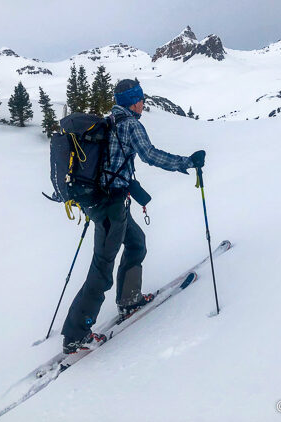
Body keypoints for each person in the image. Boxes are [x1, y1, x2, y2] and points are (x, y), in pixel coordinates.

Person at [61, 78, 205, 354]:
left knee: (136, 242)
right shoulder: (130, 125)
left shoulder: (110, 122)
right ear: (132, 101)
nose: (143, 103)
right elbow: (150, 156)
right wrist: (187, 162)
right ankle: (75, 334)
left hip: (108, 202)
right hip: (109, 207)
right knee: (101, 269)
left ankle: (129, 298)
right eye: (140, 99)